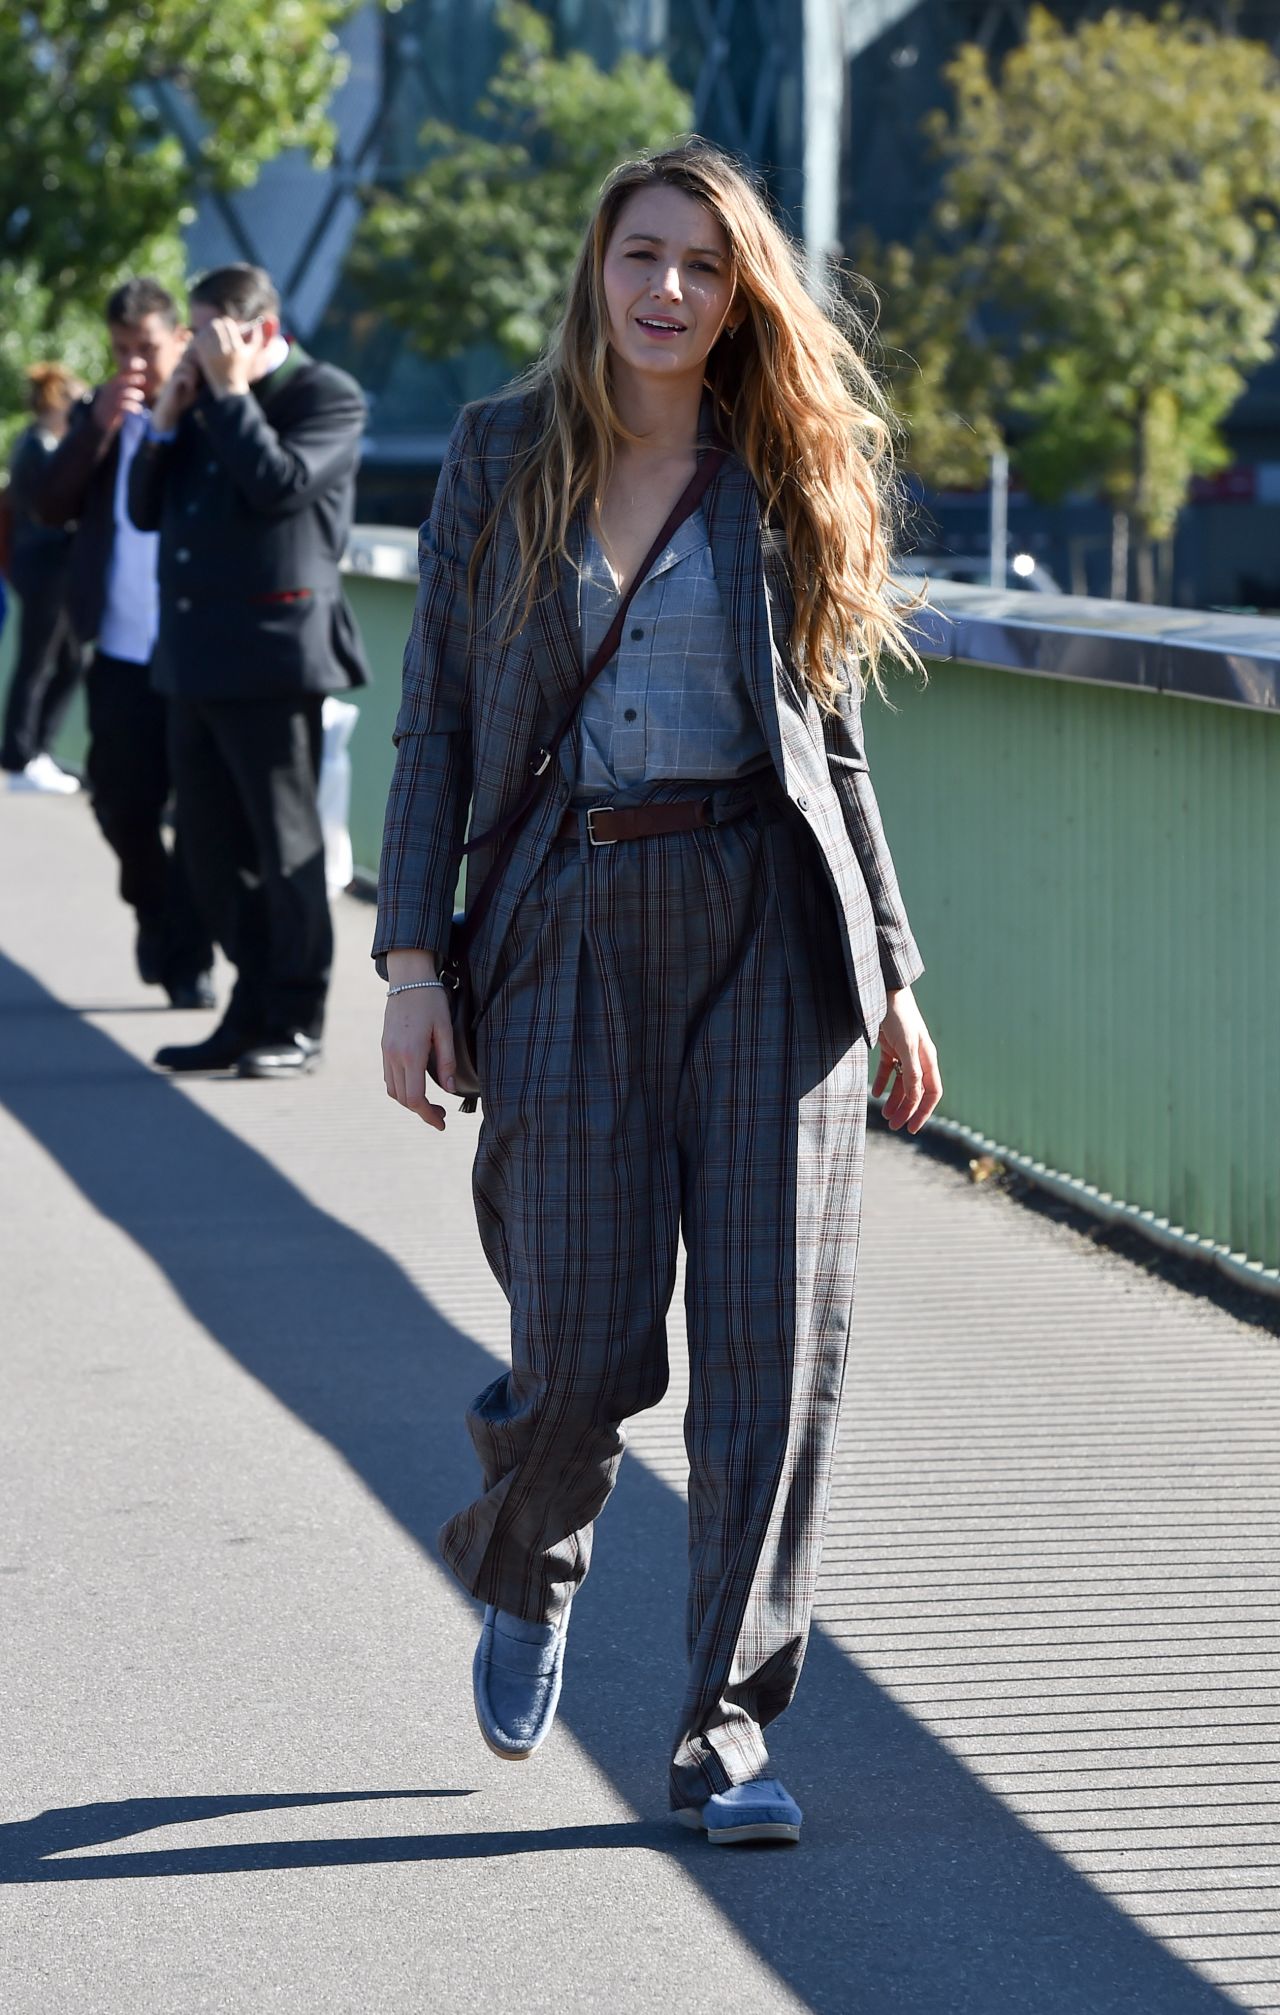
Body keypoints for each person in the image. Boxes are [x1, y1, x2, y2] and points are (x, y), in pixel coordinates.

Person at [376, 140, 943, 1846]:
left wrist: (896, 973)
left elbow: (829, 747)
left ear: (739, 289)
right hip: (562, 919)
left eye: (704, 263)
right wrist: (415, 960)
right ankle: (531, 1559)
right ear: (595, 270)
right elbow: (439, 727)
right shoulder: (499, 457)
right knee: (579, 1336)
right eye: (643, 255)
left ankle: (724, 1732)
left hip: (773, 931)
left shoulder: (780, 467)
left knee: (778, 1352)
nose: (670, 290)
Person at [128, 262, 370, 1080]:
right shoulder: (198, 402)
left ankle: (296, 1018)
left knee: (285, 849)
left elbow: (279, 485)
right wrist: (167, 421)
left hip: (272, 658)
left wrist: (230, 397)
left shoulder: (324, 394)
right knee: (207, 849)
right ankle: (249, 1005)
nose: (191, 350)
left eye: (204, 333)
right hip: (192, 658)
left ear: (256, 330)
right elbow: (142, 508)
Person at [33, 280, 214, 1007]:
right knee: (120, 807)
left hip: (196, 652)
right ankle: (155, 911)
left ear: (178, 339)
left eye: (146, 346)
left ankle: (190, 961)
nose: (135, 362)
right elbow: (46, 505)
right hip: (118, 652)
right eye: (120, 350)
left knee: (201, 817)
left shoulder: (209, 410)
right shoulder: (98, 414)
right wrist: (97, 426)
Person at [2, 363, 87, 794]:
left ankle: (36, 750)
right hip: (44, 567)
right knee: (37, 663)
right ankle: (19, 755)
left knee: (70, 662)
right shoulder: (38, 447)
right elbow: (46, 512)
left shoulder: (42, 444)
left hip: (53, 568)